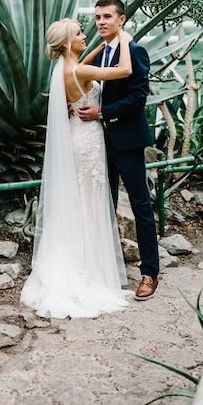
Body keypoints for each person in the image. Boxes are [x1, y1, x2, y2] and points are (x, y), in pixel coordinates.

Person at [20, 18, 134, 319]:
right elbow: (124, 70)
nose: (86, 35)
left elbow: (82, 64)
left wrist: (98, 47)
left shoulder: (63, 70)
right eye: (80, 34)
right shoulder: (80, 71)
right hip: (88, 141)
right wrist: (121, 39)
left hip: (75, 136)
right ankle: (89, 272)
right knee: (89, 203)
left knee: (79, 202)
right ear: (69, 42)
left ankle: (78, 263)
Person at [77, 0, 159, 301]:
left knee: (140, 207)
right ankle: (103, 271)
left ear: (121, 20)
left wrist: (102, 112)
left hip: (127, 141)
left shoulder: (135, 51)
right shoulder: (102, 53)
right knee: (103, 206)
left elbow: (138, 98)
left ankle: (149, 273)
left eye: (107, 16)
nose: (101, 22)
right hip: (99, 142)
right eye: (97, 17)